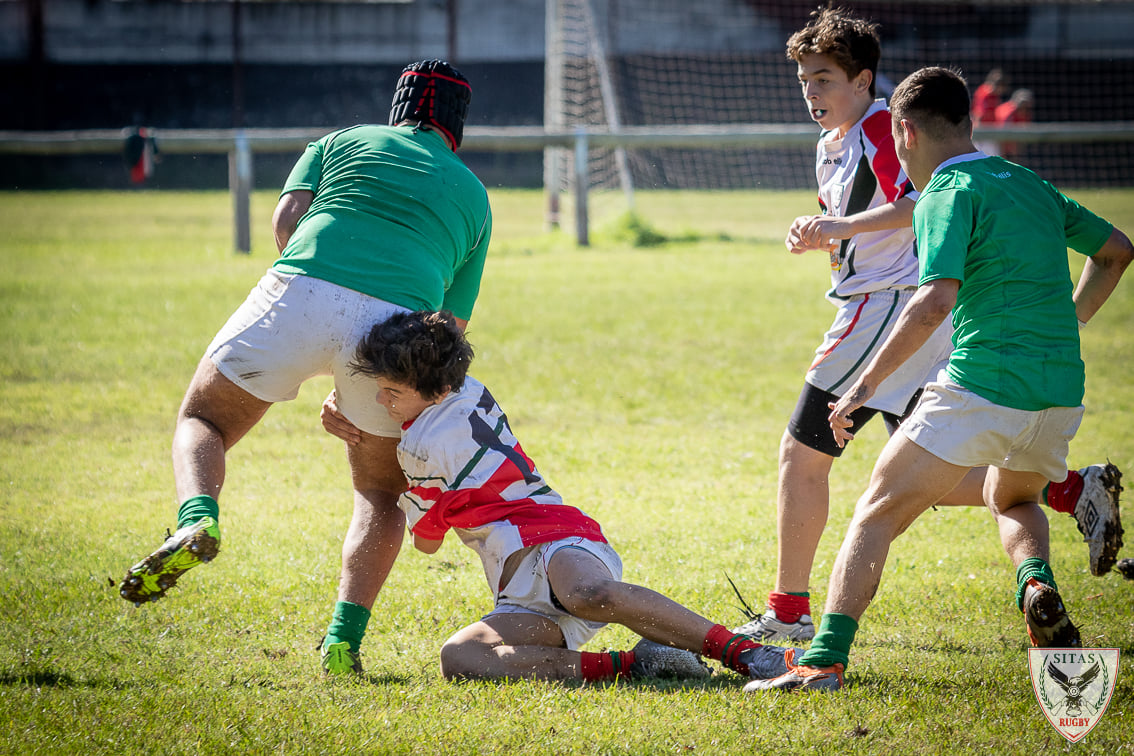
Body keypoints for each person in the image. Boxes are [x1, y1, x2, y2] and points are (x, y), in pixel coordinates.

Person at [733, 8, 1123, 645]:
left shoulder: (891, 129)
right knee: (923, 468)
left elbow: (923, 202)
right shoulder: (836, 141)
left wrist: (839, 229)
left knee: (802, 455)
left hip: (891, 308)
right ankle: (1073, 489)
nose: (811, 91)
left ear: (866, 84)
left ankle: (790, 612)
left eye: (824, 79)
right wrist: (828, 233)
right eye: (805, 79)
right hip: (903, 312)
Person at [118, 60, 494, 676]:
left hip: (301, 288)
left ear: (398, 108)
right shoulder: (474, 194)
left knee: (204, 419)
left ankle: (198, 518)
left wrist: (315, 317)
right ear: (458, 127)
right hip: (398, 328)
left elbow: (288, 222)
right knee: (378, 494)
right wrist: (376, 390)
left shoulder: (341, 141)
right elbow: (448, 328)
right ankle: (342, 643)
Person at [319, 309, 805, 683]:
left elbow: (426, 543)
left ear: (435, 386)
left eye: (391, 393)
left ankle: (753, 656)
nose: (383, 402)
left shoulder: (421, 448)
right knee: (461, 657)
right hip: (518, 588)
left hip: (555, 538)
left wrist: (430, 496)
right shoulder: (468, 388)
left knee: (586, 594)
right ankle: (632, 664)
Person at [971, 68, 1006, 156]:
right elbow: (979, 113)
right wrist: (978, 132)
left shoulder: (994, 95)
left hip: (991, 129)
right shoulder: (985, 93)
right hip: (984, 130)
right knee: (986, 155)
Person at [993, 88, 1034, 160]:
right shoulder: (1008, 112)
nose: (1025, 106)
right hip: (994, 142)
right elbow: (1001, 136)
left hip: (1012, 145)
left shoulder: (1026, 112)